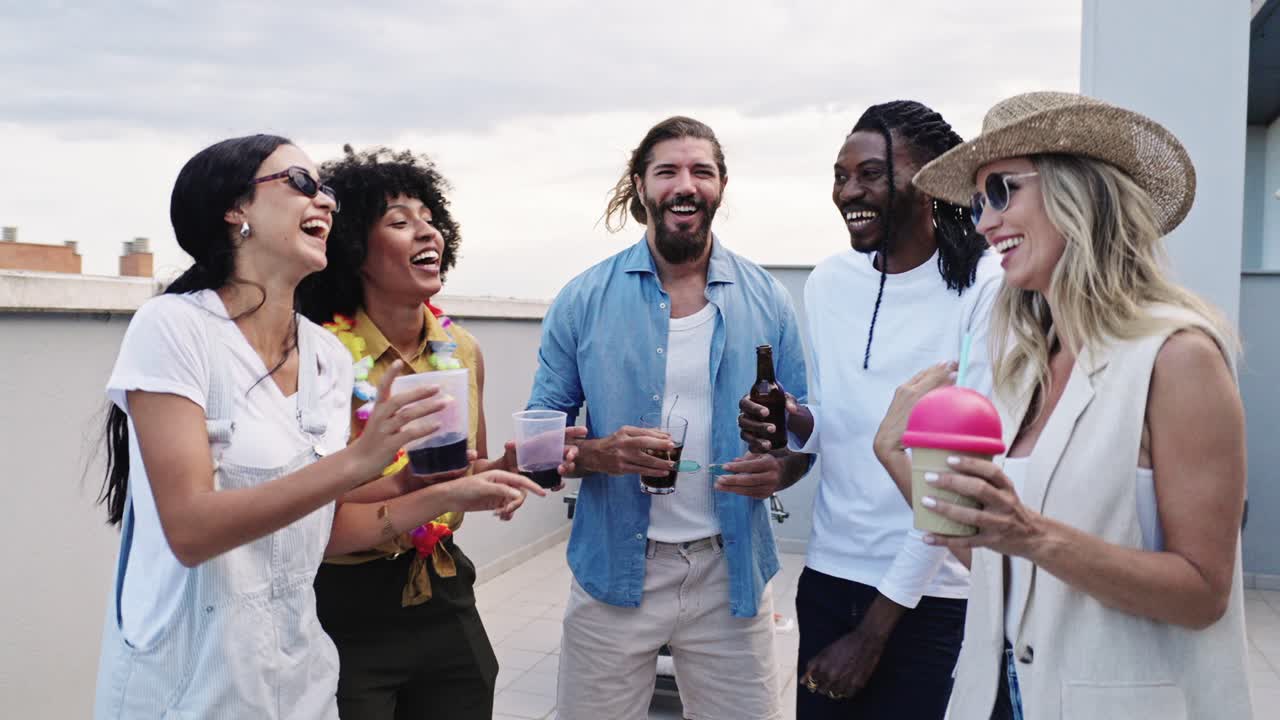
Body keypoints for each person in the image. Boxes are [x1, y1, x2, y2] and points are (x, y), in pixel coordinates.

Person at [92, 135, 538, 719]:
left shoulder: (325, 355)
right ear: (235, 208)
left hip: (301, 676)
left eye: (326, 190)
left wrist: (420, 485)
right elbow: (190, 530)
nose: (324, 201)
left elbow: (323, 520)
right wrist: (360, 460)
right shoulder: (174, 327)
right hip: (190, 679)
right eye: (301, 183)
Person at [880, 91, 1251, 719]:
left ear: (1079, 191)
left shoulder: (1177, 357)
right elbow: (1002, 567)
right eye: (977, 203)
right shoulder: (1022, 365)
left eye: (1001, 191)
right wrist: (903, 464)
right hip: (994, 699)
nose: (983, 223)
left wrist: (1032, 533)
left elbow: (1203, 594)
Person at [527, 116, 811, 720]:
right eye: (667, 172)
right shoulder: (582, 299)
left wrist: (781, 470)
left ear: (721, 186)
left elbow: (802, 437)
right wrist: (598, 454)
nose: (685, 185)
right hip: (613, 573)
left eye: (701, 171)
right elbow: (536, 449)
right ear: (641, 185)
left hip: (730, 574)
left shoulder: (769, 299)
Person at [296, 145, 579, 719]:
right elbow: (312, 513)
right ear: (355, 249)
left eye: (430, 218)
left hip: (443, 587)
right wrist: (437, 490)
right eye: (400, 222)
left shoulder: (462, 350)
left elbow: (459, 470)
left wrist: (506, 470)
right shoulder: (317, 357)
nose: (428, 232)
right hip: (342, 606)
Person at [738, 100, 1001, 718]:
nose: (848, 191)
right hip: (829, 576)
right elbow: (839, 415)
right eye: (840, 175)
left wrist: (874, 631)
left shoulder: (986, 286)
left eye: (871, 174)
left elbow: (959, 480)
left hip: (935, 593)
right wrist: (797, 421)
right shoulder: (829, 282)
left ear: (930, 180)